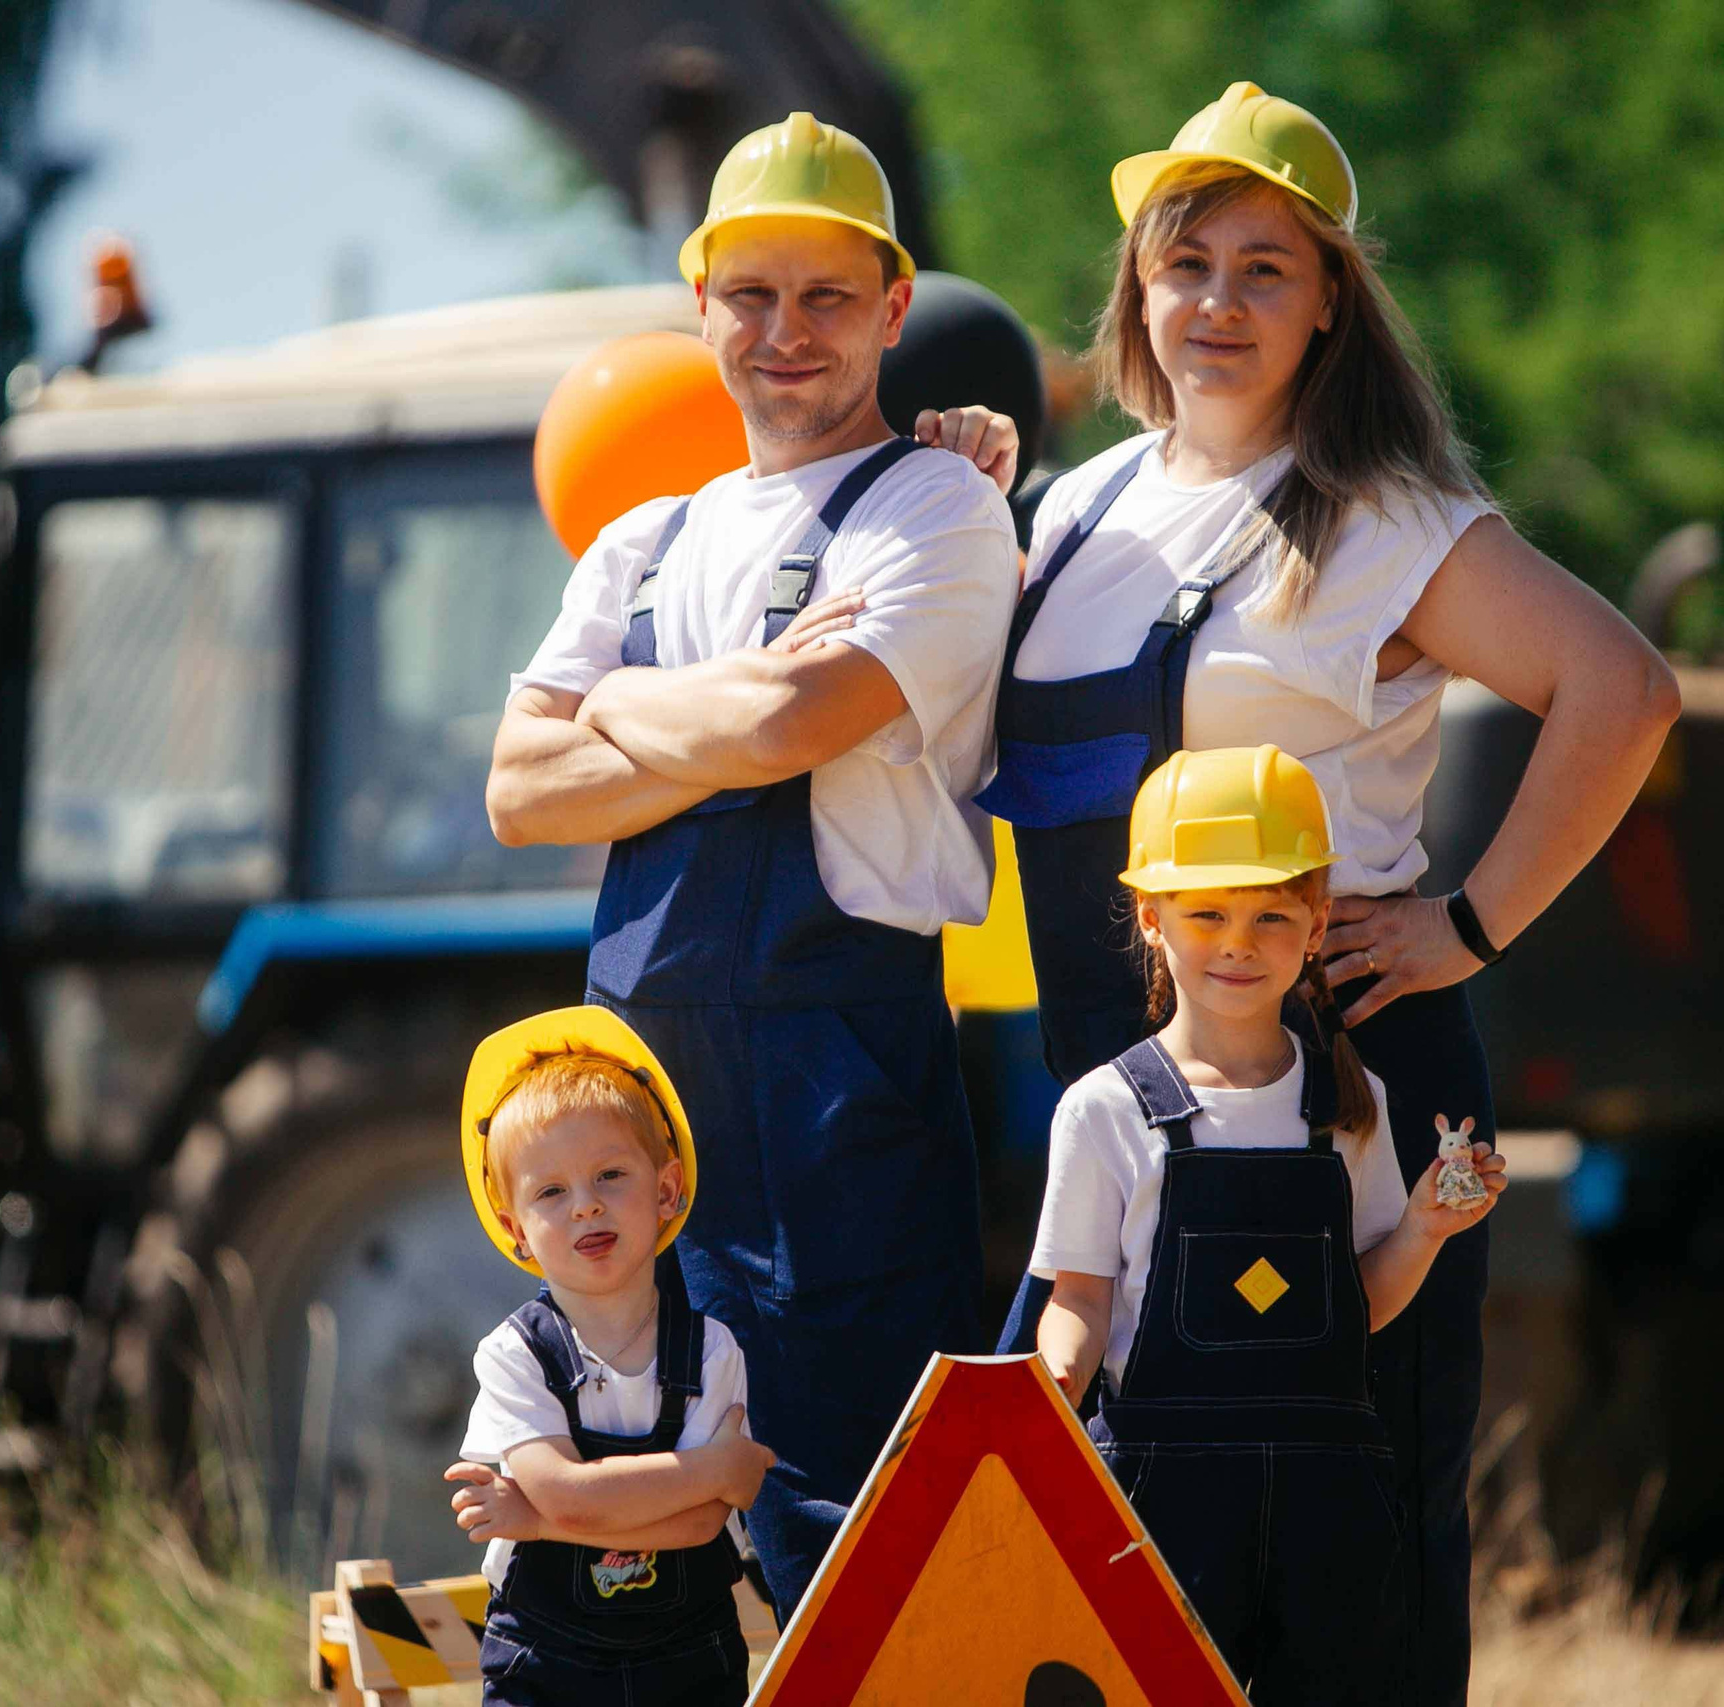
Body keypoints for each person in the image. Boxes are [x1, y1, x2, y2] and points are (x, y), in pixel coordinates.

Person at [962, 80, 1680, 1701]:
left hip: (1347, 1077)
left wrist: (1468, 923)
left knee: (1352, 1550)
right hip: (1118, 1096)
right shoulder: (1071, 514)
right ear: (1138, 286)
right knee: (1130, 1543)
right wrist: (955, 473)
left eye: (1264, 267)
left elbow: (1621, 690)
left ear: (1333, 298)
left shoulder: (1385, 517)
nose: (1215, 300)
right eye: (1185, 259)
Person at [483, 112, 1020, 1619]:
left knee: (858, 1544)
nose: (787, 332)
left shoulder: (934, 505)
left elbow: (796, 721)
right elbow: (520, 790)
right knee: (636, 1545)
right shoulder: (642, 541)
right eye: (753, 295)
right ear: (701, 306)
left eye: (828, 296)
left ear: (893, 309)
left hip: (838, 1099)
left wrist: (628, 710)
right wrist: (736, 711)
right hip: (638, 1119)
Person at [1033, 746, 1505, 1703]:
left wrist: (1423, 1229)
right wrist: (1049, 1389)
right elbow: (1079, 1297)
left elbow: (1358, 1309)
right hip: (1162, 1504)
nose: (1238, 942)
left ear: (1318, 923)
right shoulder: (1102, 1110)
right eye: (1207, 913)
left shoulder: (1351, 1100)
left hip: (1329, 1512)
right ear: (1152, 919)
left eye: (1271, 916)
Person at [443, 1006, 777, 1706]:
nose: (586, 1207)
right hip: (546, 1664)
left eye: (610, 1176)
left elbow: (699, 1525)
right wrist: (709, 1468)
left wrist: (534, 1517)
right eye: (551, 1191)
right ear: (516, 1229)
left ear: (666, 1189)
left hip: (687, 1663)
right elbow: (570, 1495)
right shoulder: (515, 1355)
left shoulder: (710, 1349)